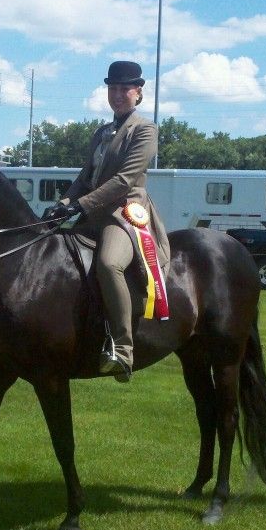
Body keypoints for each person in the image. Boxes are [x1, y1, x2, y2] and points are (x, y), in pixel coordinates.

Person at [43, 60, 170, 383]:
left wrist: (81, 206)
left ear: (137, 93)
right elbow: (84, 178)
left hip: (125, 212)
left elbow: (125, 180)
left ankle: (124, 349)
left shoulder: (145, 130)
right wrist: (62, 204)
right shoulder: (101, 132)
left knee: (108, 264)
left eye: (123, 89)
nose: (117, 94)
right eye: (112, 88)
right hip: (92, 212)